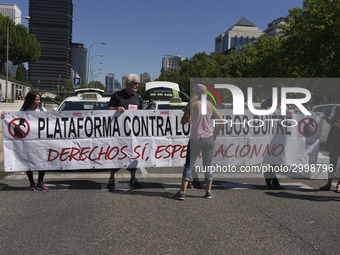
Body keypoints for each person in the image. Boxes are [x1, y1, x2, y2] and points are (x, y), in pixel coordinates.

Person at [172, 83, 222, 200]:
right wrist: (215, 134)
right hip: (208, 138)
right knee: (207, 165)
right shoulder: (210, 105)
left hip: (195, 138)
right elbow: (220, 119)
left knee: (189, 165)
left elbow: (183, 122)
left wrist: (187, 111)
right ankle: (208, 191)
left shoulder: (193, 104)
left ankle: (182, 192)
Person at [1, 91, 49, 191]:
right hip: (27, 142)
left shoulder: (42, 110)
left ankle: (40, 182)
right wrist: (5, 117)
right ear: (30, 100)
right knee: (28, 162)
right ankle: (31, 182)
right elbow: (15, 120)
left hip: (40, 141)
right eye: (37, 99)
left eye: (39, 99)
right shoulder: (22, 111)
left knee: (42, 161)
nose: (39, 101)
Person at [107, 73, 143, 189]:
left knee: (133, 156)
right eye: (135, 83)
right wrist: (116, 108)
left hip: (133, 135)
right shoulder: (117, 95)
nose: (137, 85)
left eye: (138, 83)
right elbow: (108, 109)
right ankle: (111, 178)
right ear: (128, 83)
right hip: (118, 134)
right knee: (116, 156)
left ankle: (133, 178)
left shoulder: (138, 98)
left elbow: (143, 115)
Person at [319, 106, 340, 193]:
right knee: (332, 162)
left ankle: (339, 185)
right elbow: (333, 122)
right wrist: (325, 118)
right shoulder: (337, 108)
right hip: (334, 137)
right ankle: (329, 183)